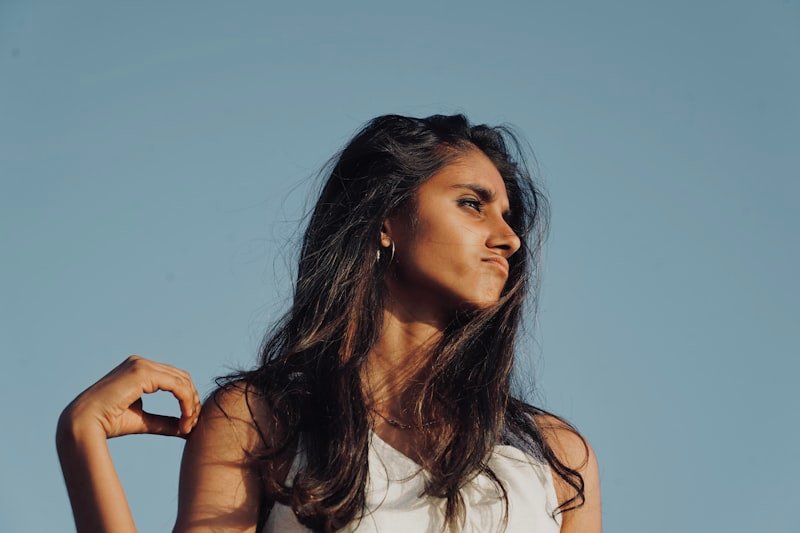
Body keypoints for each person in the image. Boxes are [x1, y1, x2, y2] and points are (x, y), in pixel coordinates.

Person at [56, 114, 602, 532]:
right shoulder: (261, 422)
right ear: (385, 220)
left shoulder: (553, 457)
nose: (507, 238)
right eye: (470, 204)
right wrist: (80, 437)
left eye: (508, 217)